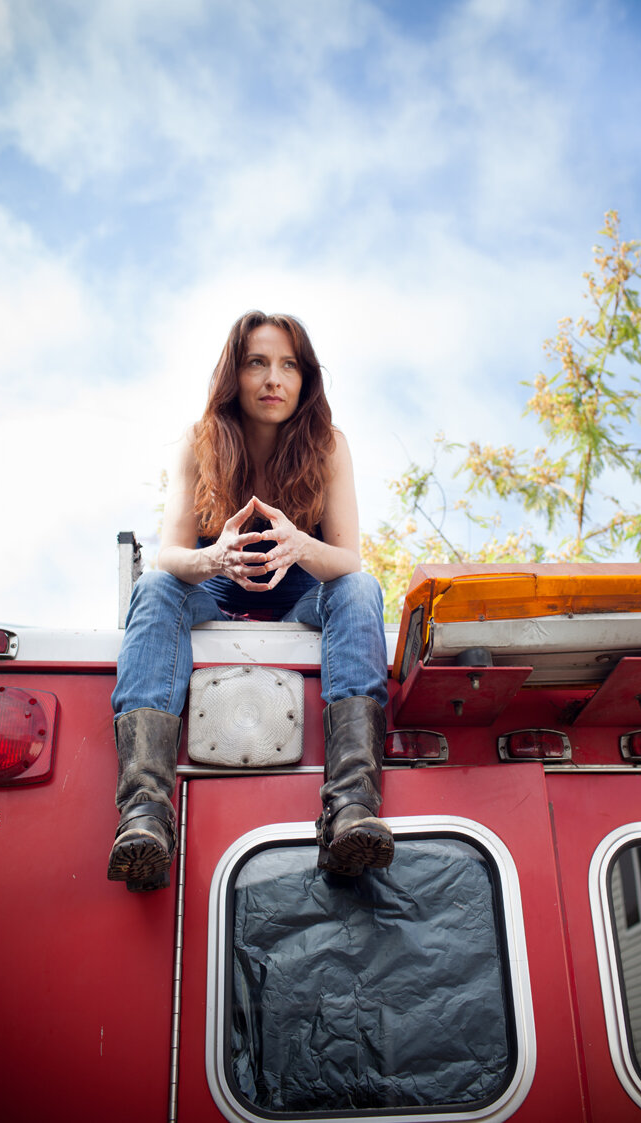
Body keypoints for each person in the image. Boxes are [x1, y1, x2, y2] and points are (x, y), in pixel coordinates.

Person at [109, 310, 393, 891]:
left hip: (300, 590)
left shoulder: (329, 445)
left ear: (305, 378)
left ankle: (351, 808)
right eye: (257, 363)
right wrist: (217, 557)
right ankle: (145, 815)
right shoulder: (199, 440)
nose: (273, 379)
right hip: (215, 585)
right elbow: (170, 556)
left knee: (362, 591)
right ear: (233, 375)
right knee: (155, 588)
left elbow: (348, 562)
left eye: (288, 365)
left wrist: (298, 544)